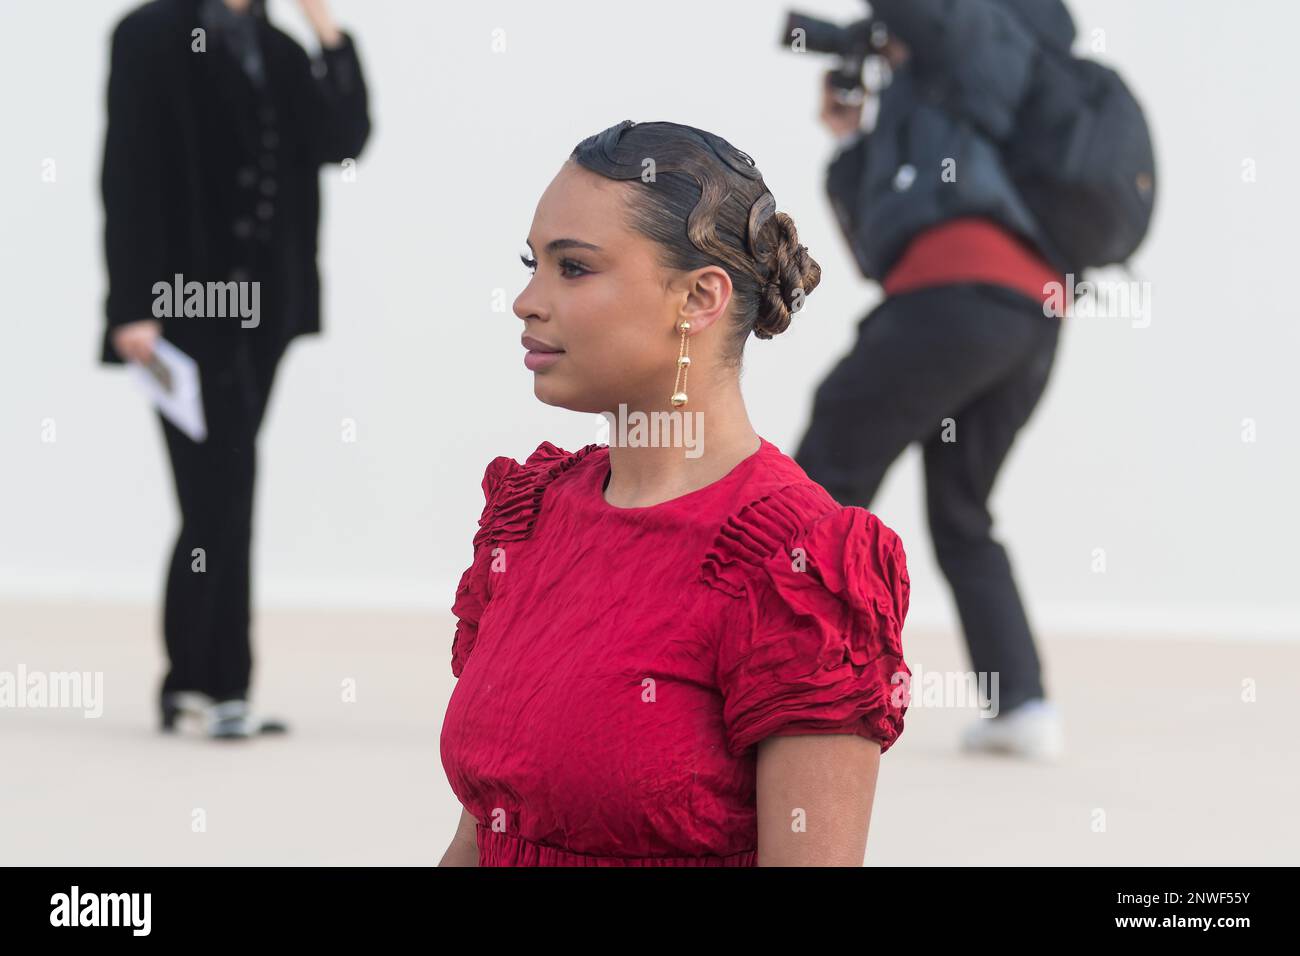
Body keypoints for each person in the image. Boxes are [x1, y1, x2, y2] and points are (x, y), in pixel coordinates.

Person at [438, 120, 911, 867]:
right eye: (533, 263)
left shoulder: (798, 566)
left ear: (698, 298)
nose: (525, 300)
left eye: (574, 269)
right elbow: (483, 831)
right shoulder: (528, 520)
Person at [794, 0, 1076, 761]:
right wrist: (851, 137)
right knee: (961, 510)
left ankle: (771, 677)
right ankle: (1022, 704)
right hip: (1026, 315)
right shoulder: (960, 100)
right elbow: (877, 245)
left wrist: (896, 33)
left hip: (957, 298)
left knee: (819, 479)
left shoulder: (984, 40)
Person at [99, 0, 370, 738]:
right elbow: (127, 169)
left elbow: (344, 139)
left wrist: (326, 29)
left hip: (267, 307)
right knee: (223, 484)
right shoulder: (149, 33)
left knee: (222, 486)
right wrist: (130, 305)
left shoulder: (280, 47)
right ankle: (216, 685)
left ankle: (199, 681)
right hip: (183, 303)